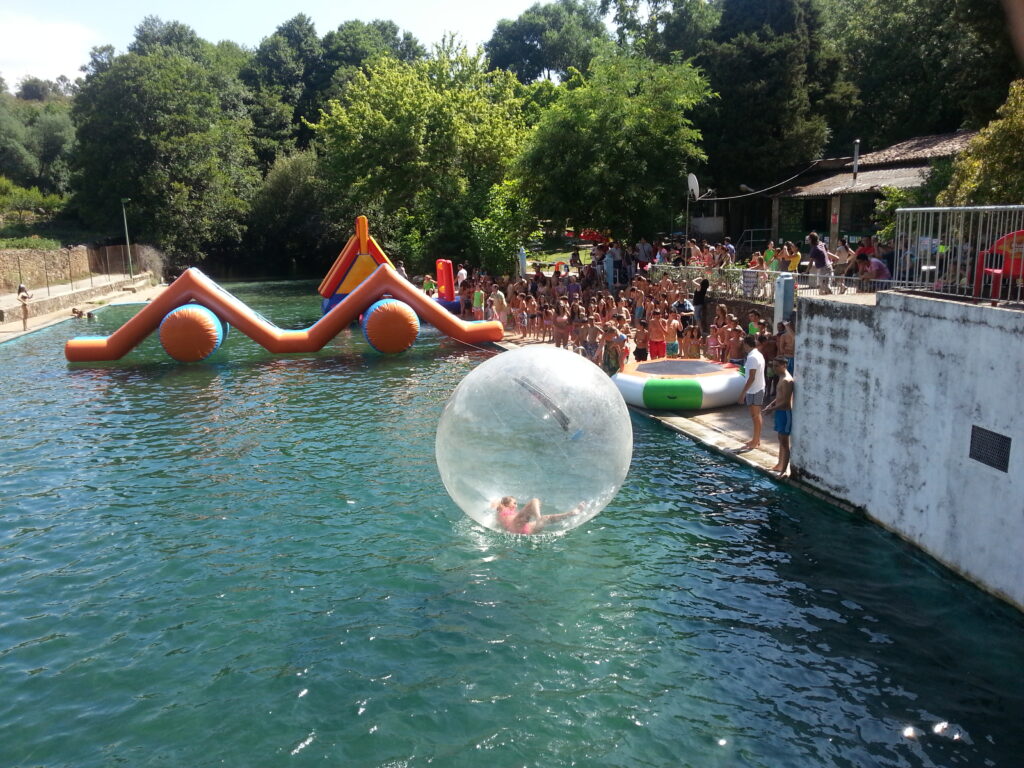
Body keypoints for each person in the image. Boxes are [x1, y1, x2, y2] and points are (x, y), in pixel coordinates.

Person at [762, 357, 794, 475]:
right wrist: (771, 404)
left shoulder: (787, 380)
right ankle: (779, 464)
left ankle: (784, 470)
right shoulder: (781, 377)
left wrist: (771, 409)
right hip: (779, 412)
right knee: (780, 439)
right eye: (773, 366)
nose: (774, 368)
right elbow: (779, 396)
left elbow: (786, 402)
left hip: (785, 413)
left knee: (785, 442)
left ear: (784, 365)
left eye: (776, 366)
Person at [735, 334, 766, 452]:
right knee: (756, 415)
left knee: (755, 415)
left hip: (755, 389)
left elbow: (751, 377)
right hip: (756, 388)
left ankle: (756, 440)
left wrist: (743, 393)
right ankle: (756, 439)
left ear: (746, 344)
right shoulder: (757, 354)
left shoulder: (752, 357)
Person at [493, 497, 584, 535]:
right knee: (534, 500)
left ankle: (572, 513)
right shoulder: (503, 508)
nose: (516, 505)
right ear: (506, 504)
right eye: (514, 503)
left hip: (524, 530)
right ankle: (538, 517)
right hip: (515, 525)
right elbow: (497, 503)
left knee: (546, 519)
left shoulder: (501, 514)